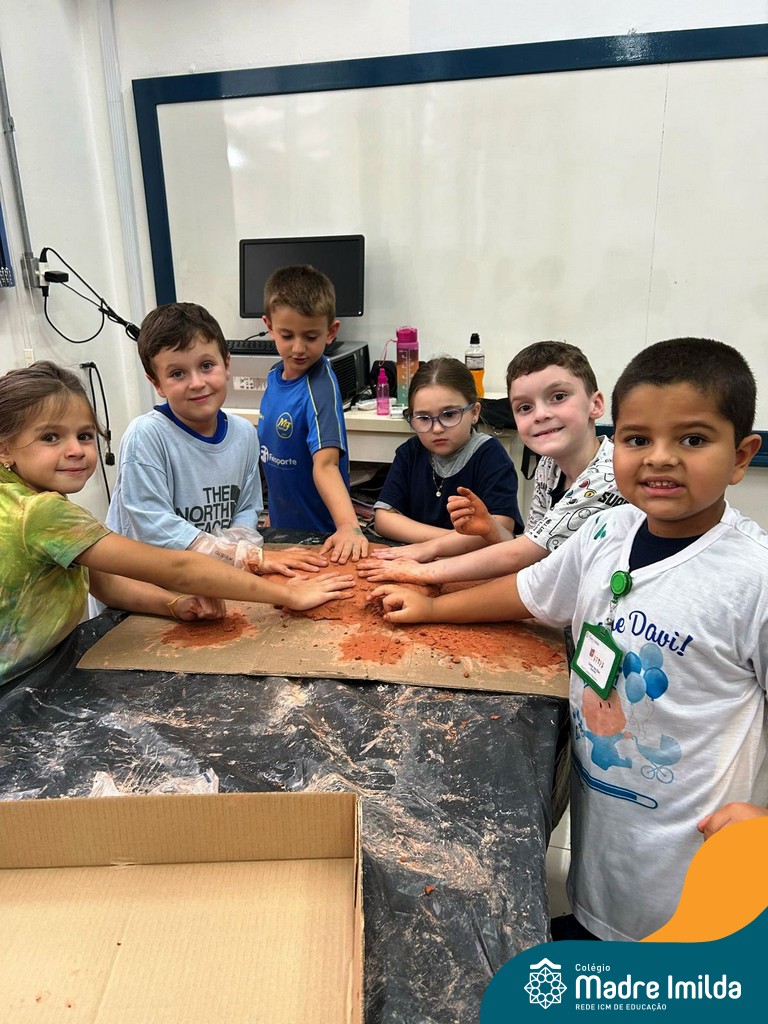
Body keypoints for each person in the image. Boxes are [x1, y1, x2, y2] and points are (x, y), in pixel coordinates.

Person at [370, 337, 768, 942]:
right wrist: (431, 606)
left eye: (692, 439)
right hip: (606, 861)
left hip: (699, 887)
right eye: (638, 439)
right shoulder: (607, 531)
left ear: (740, 457)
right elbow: (529, 590)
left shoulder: (753, 579)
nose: (660, 458)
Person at [0, 361, 355, 687]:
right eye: (50, 437)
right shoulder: (40, 512)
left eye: (84, 435)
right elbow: (179, 568)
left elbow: (103, 582)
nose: (76, 449)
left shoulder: (25, 500)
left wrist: (173, 605)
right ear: (4, 449)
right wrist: (290, 594)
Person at [358, 341, 623, 585]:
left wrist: (426, 569)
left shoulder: (610, 476)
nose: (541, 415)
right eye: (525, 407)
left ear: (596, 404)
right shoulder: (549, 466)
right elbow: (529, 550)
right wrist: (488, 530)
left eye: (558, 396)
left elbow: (520, 555)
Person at [107, 302, 327, 576]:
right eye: (177, 374)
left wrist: (237, 557)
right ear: (157, 384)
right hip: (146, 585)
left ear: (227, 365)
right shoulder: (146, 436)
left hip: (209, 576)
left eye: (206, 365)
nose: (197, 383)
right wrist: (244, 557)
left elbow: (246, 510)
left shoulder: (244, 434)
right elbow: (155, 528)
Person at [258, 265, 368, 563]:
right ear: (269, 326)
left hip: (319, 538)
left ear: (331, 332)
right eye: (287, 335)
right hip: (283, 531)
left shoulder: (319, 387)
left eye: (310, 336)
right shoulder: (274, 376)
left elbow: (326, 464)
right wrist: (273, 516)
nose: (298, 348)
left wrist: (348, 527)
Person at [371, 357, 523, 544]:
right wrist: (451, 541)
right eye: (423, 418)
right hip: (419, 556)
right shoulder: (409, 453)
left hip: (473, 561)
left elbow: (501, 529)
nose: (437, 429)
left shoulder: (491, 456)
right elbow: (384, 520)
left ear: (474, 412)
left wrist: (432, 547)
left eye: (449, 415)